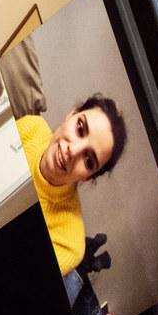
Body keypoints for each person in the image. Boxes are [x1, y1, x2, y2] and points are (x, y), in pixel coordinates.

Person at [16, 93, 126, 273]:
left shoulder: (69, 244)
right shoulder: (32, 127)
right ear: (72, 114)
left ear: (89, 177)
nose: (73, 151)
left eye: (89, 161)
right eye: (80, 129)